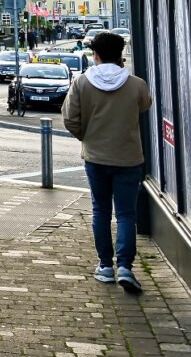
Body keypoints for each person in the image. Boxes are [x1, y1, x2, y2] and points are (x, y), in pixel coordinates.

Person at [63, 32, 152, 293]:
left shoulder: (81, 83)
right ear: (120, 54)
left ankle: (104, 266)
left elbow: (70, 118)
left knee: (100, 210)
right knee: (126, 213)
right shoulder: (136, 84)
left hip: (96, 157)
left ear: (96, 55)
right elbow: (145, 105)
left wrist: (87, 137)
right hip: (128, 157)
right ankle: (125, 266)